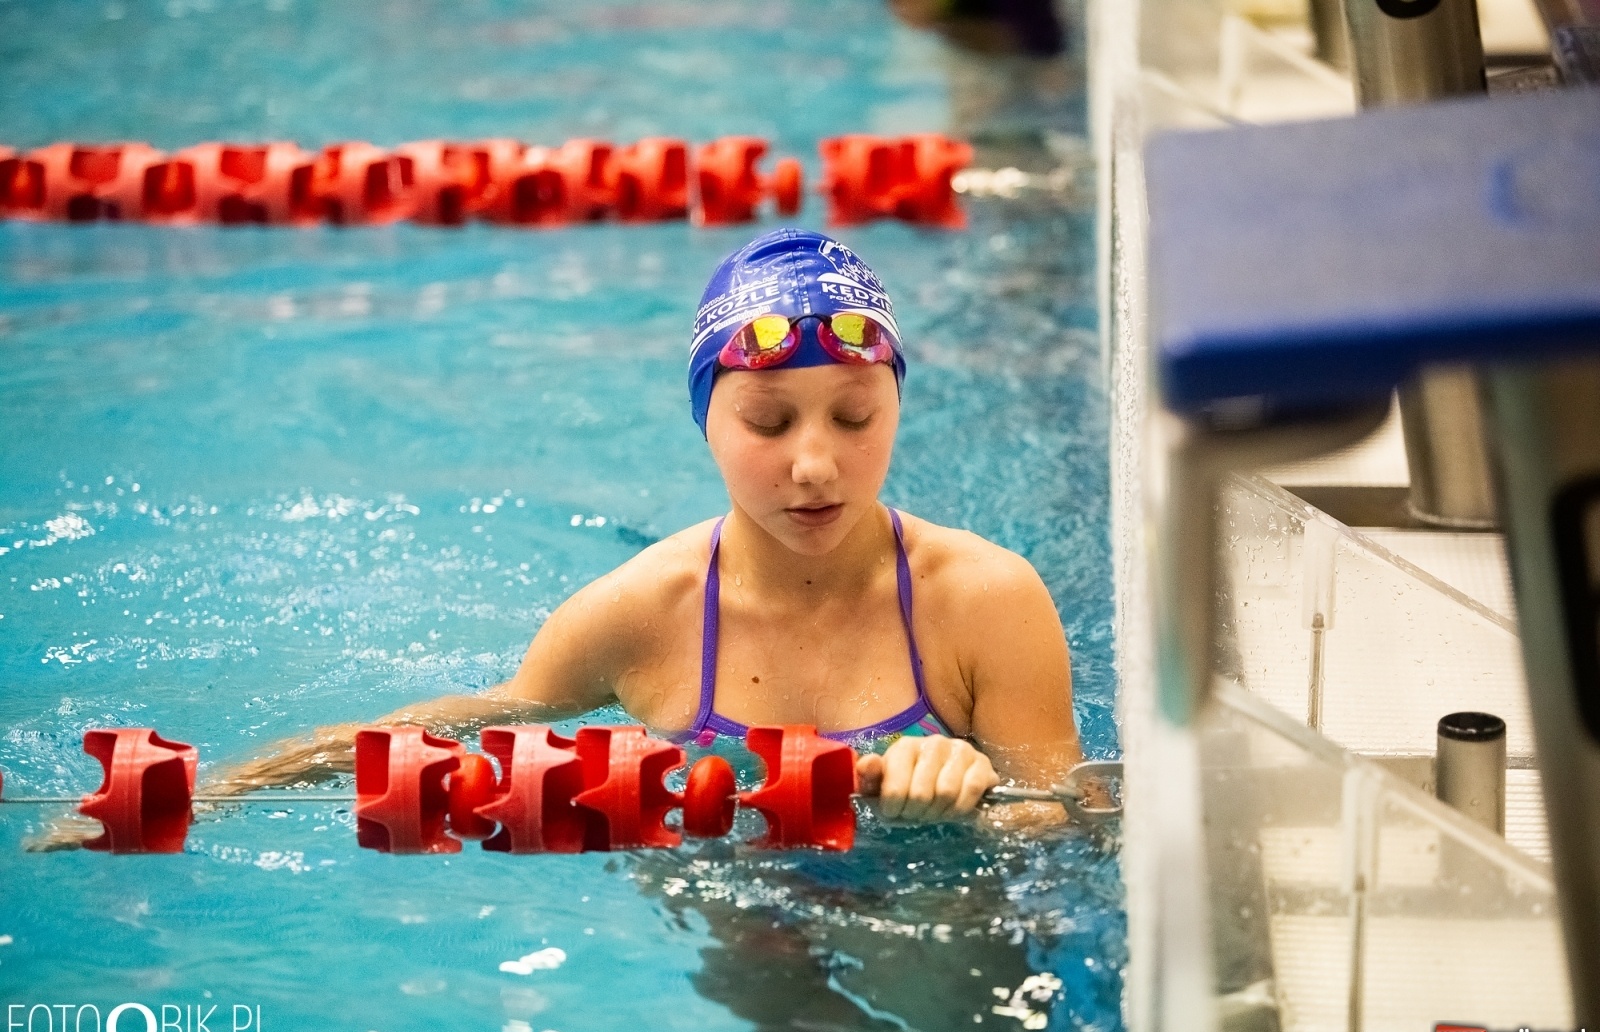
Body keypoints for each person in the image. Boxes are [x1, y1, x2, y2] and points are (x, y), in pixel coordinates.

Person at [31, 228, 1083, 849]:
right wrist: (187, 799)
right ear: (706, 421)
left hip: (934, 899)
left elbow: (1072, 824)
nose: (815, 464)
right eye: (766, 423)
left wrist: (977, 806)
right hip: (731, 896)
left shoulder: (984, 601)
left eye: (855, 417)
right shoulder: (637, 614)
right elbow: (437, 735)